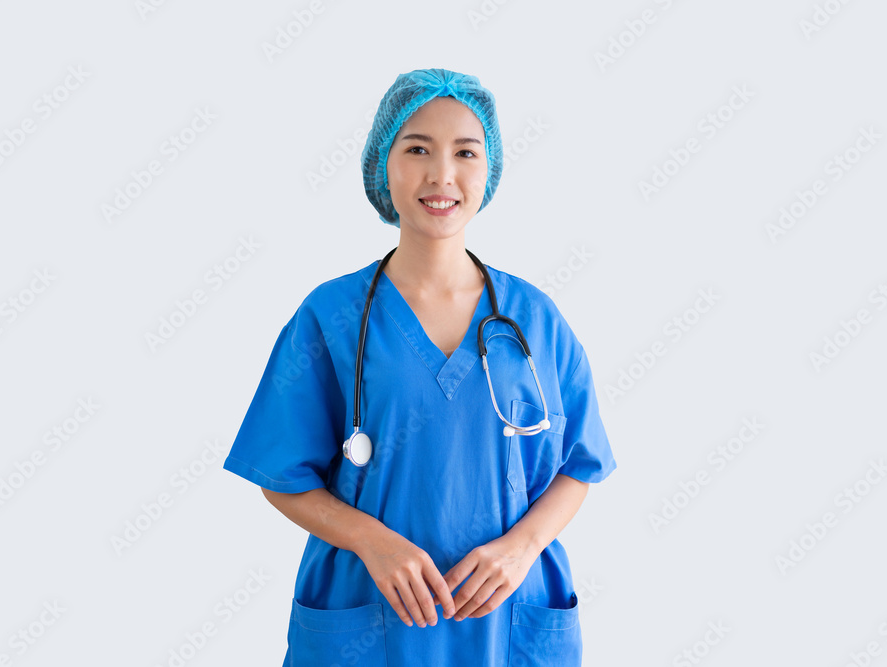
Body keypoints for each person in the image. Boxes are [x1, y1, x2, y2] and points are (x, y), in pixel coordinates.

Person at [222, 68, 617, 666]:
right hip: (369, 616)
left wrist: (522, 547)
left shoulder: (534, 318)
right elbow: (281, 473)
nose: (442, 175)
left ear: (490, 168)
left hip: (507, 620)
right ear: (383, 162)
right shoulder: (332, 316)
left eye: (465, 151)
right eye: (417, 150)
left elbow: (580, 464)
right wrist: (370, 541)